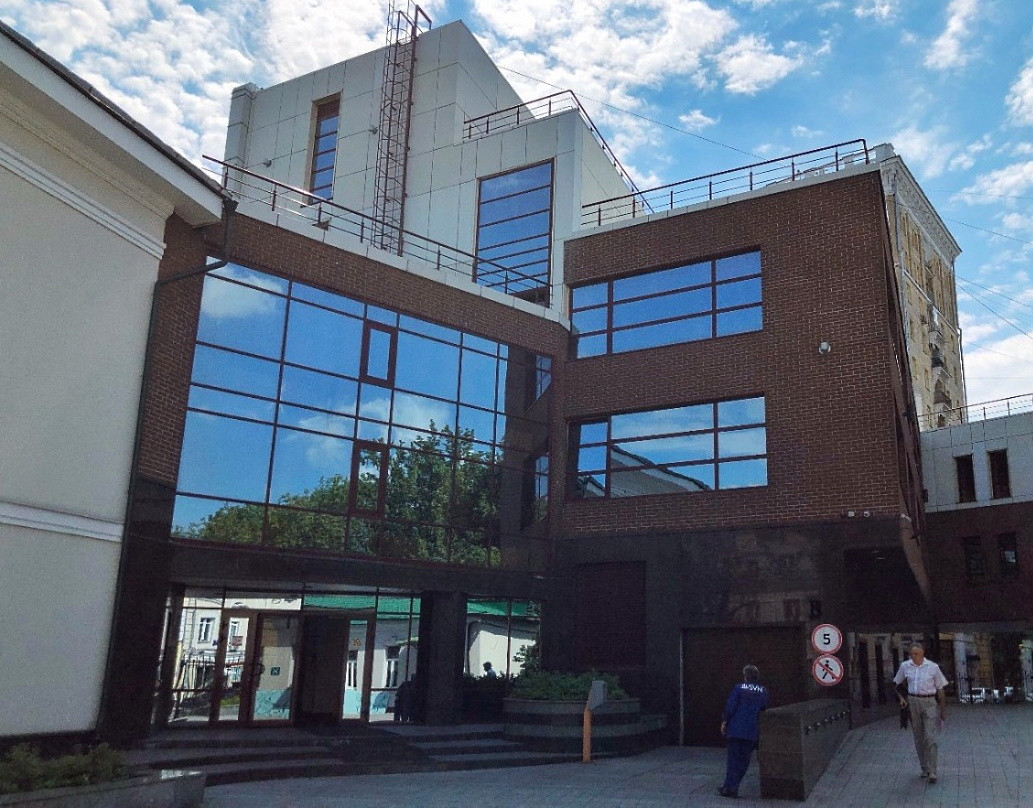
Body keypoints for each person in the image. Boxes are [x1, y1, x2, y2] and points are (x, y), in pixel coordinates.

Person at [892, 642, 948, 784]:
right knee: (918, 737)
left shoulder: (933, 667)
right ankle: (924, 768)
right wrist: (901, 698)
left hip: (929, 701)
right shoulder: (905, 666)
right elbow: (895, 684)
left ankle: (933, 771)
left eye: (916, 654)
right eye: (912, 654)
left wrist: (942, 710)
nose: (914, 657)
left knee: (930, 737)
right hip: (913, 701)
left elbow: (940, 689)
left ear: (923, 653)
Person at [719, 664, 769, 799]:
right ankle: (732, 786)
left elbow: (731, 706)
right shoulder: (763, 691)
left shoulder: (739, 688)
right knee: (744, 761)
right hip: (752, 730)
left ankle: (730, 788)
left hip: (735, 729)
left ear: (745, 676)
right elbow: (764, 708)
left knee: (733, 760)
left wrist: (725, 721)